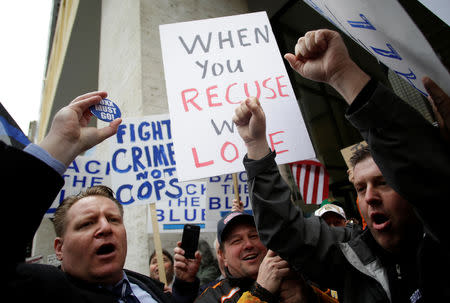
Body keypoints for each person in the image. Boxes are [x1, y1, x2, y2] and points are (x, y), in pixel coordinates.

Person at [233, 29, 450, 302]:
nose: (370, 197)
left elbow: (421, 171)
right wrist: (256, 147)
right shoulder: (350, 256)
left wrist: (342, 75)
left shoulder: (438, 241)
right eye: (360, 188)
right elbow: (284, 232)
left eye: (383, 183)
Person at [5, 91, 172, 303]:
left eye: (113, 219)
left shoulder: (153, 289)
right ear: (59, 248)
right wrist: (61, 143)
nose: (105, 228)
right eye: (86, 224)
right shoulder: (40, 290)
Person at [174, 211, 319, 303]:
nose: (248, 244)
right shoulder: (212, 297)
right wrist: (260, 293)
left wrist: (309, 297)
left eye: (254, 236)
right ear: (222, 255)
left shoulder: (298, 277)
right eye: (236, 241)